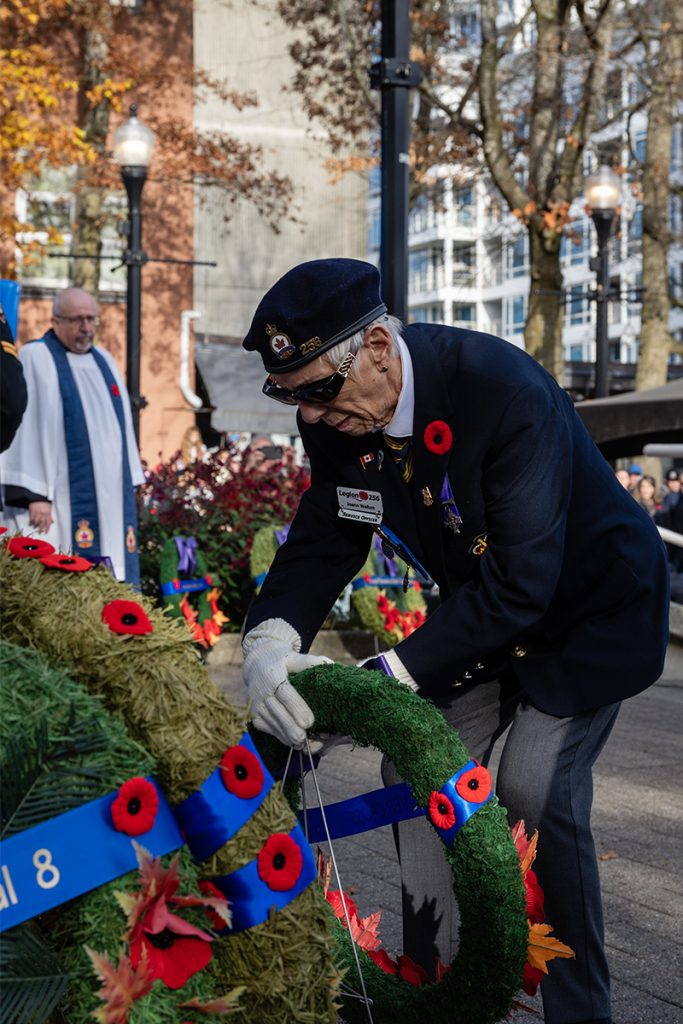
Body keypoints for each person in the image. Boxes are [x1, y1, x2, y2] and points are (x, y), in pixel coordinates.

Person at [239, 258, 668, 1024]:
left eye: (316, 389)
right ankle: (434, 990)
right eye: (288, 395)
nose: (306, 414)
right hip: (489, 619)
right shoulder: (344, 414)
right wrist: (268, 640)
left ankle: (580, 1010)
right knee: (417, 765)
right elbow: (331, 532)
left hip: (591, 618)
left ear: (375, 345)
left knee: (533, 788)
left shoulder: (500, 391)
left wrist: (381, 677)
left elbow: (522, 584)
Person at [0, 287, 143, 584]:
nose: (87, 328)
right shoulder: (36, 356)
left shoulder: (104, 360)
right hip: (57, 498)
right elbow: (25, 426)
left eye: (92, 319)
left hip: (112, 498)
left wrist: (131, 482)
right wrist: (34, 495)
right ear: (56, 321)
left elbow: (121, 431)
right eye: (78, 320)